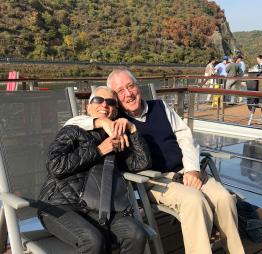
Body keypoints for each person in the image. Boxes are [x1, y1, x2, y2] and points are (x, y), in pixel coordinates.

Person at [65, 69, 245, 254]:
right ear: (116, 99)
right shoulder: (115, 119)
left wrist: (192, 169)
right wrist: (100, 122)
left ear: (138, 86)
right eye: (120, 91)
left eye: (131, 86)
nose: (128, 94)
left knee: (224, 199)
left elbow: (185, 136)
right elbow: (71, 124)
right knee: (194, 200)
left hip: (187, 171)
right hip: (155, 181)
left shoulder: (160, 107)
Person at [38, 86, 151, 254]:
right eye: (98, 100)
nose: (104, 106)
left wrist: (132, 130)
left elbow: (141, 163)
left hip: (100, 208)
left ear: (116, 110)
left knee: (136, 234)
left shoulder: (116, 137)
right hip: (60, 205)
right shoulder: (73, 130)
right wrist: (98, 151)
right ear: (88, 107)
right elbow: (55, 166)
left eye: (111, 102)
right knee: (93, 241)